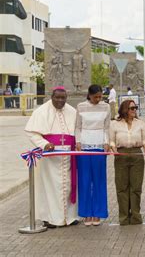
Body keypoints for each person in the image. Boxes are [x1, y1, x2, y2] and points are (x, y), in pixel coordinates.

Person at [24, 86, 79, 228]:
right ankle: (49, 218)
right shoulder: (41, 112)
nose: (60, 100)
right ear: (51, 97)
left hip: (68, 155)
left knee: (67, 186)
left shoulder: (72, 111)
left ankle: (69, 217)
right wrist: (45, 144)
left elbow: (77, 131)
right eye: (57, 97)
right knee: (49, 187)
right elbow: (32, 132)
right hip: (50, 157)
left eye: (63, 98)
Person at [76, 84, 111, 226]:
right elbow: (77, 126)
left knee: (99, 179)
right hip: (84, 144)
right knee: (84, 179)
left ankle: (98, 213)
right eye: (95, 96)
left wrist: (107, 141)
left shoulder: (106, 107)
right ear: (89, 95)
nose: (98, 99)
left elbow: (107, 126)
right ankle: (86, 213)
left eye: (100, 96)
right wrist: (78, 141)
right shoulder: (81, 106)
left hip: (99, 145)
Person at [110, 99, 145, 225]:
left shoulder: (141, 123)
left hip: (137, 154)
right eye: (132, 108)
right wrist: (114, 150)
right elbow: (112, 140)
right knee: (122, 187)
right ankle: (124, 217)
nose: (134, 110)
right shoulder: (115, 124)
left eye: (135, 108)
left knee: (136, 187)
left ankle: (136, 216)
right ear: (124, 109)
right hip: (121, 154)